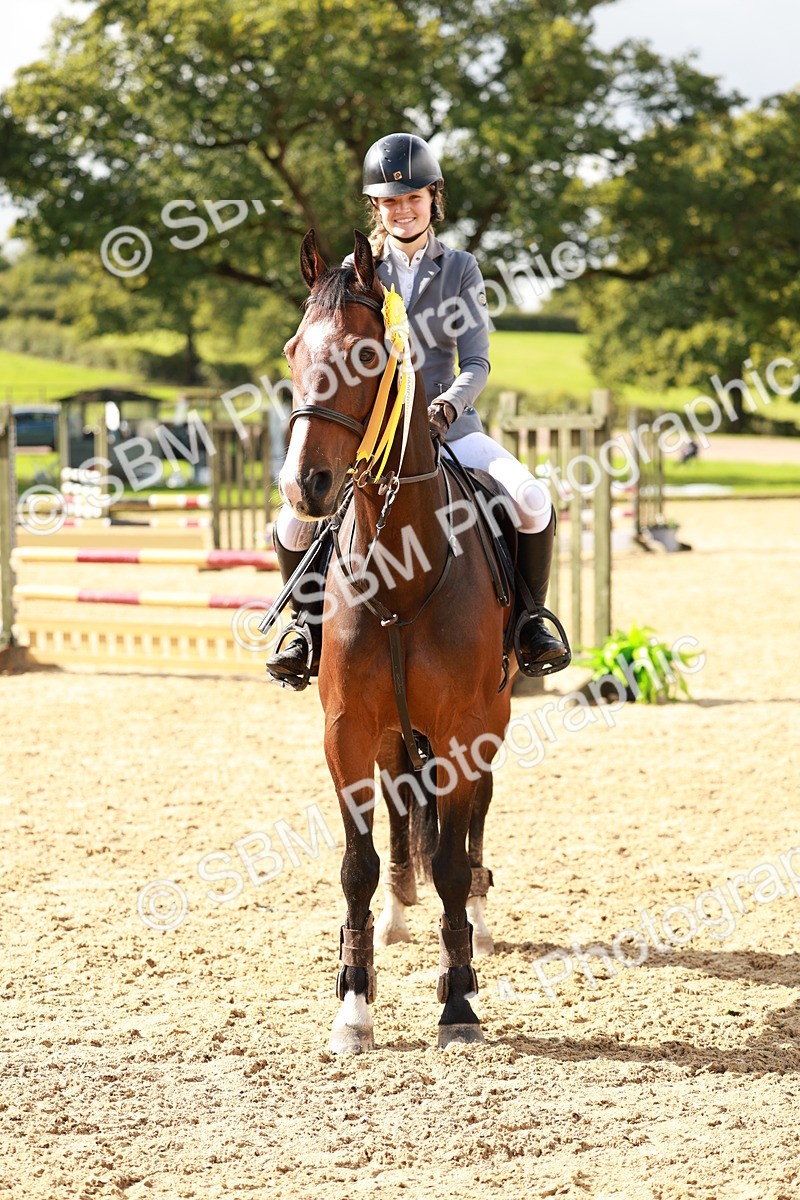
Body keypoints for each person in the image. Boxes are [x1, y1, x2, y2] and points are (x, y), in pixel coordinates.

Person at [267, 131, 569, 687]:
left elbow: (476, 363)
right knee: (290, 523)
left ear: (434, 199)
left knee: (532, 499)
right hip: (375, 437)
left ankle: (530, 624)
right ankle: (306, 629)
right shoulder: (357, 274)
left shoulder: (461, 270)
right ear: (375, 208)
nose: (402, 210)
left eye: (413, 199)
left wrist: (447, 408)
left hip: (449, 429)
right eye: (389, 201)